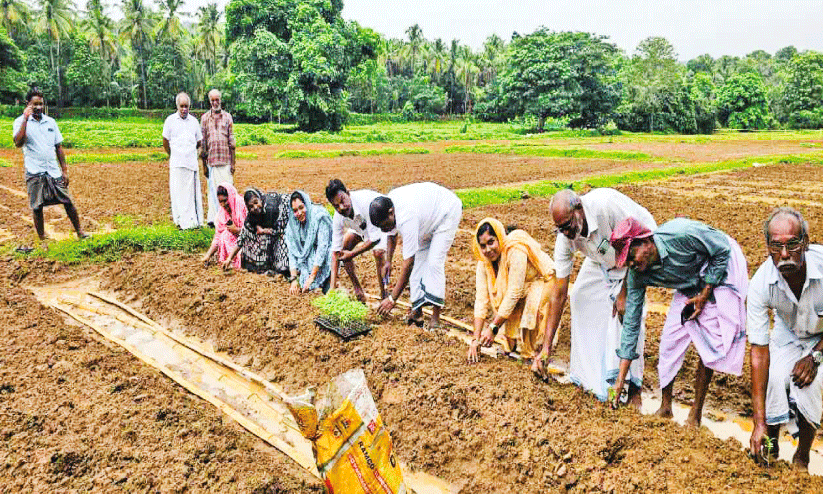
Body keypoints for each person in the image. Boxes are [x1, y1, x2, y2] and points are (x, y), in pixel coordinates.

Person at [609, 217, 748, 427]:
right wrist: (620, 381)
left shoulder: (682, 234)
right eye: (626, 262)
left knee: (708, 342)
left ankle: (695, 415)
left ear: (646, 242)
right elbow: (631, 323)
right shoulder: (637, 274)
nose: (630, 265)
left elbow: (721, 249)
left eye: (630, 257)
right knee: (669, 342)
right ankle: (665, 408)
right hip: (688, 281)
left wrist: (705, 294)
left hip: (720, 266)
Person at [532, 188, 657, 407]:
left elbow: (641, 240)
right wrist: (546, 348)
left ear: (579, 208)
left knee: (627, 314)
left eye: (568, 225)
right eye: (560, 229)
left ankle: (633, 389)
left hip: (639, 252)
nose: (566, 233)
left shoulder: (606, 207)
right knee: (580, 297)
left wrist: (623, 293)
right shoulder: (565, 236)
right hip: (603, 258)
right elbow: (559, 293)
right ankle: (588, 379)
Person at [748, 207, 823, 471]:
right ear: (767, 247)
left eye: (792, 245)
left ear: (806, 242)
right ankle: (770, 444)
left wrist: (815, 356)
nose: (783, 254)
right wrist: (758, 423)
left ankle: (802, 456)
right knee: (773, 377)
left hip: (821, 335)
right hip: (789, 331)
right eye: (776, 246)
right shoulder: (760, 283)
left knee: (810, 383)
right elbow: (759, 352)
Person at [370, 182, 462, 329]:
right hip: (427, 218)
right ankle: (417, 312)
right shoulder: (389, 206)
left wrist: (392, 299)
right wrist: (388, 261)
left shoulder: (406, 218)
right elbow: (391, 234)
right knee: (418, 263)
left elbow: (408, 263)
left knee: (434, 262)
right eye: (381, 228)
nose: (385, 229)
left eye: (385, 225)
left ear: (391, 212)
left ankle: (435, 318)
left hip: (446, 213)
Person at [468, 218, 555, 363]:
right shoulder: (484, 263)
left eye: (491, 242)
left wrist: (493, 328)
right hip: (522, 289)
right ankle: (515, 341)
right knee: (510, 343)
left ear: (499, 238)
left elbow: (514, 291)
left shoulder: (515, 250)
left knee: (532, 313)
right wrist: (475, 339)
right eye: (483, 246)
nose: (488, 250)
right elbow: (481, 299)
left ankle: (537, 350)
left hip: (542, 281)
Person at [12, 87, 87, 248]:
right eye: (35, 104)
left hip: (53, 170)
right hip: (35, 172)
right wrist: (25, 119)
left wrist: (64, 171)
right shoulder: (19, 122)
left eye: (41, 104)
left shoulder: (50, 122)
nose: (39, 107)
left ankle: (80, 232)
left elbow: (58, 147)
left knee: (68, 201)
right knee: (37, 207)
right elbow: (18, 142)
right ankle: (42, 239)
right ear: (28, 104)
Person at [325, 179, 390, 302]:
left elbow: (375, 239)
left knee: (378, 253)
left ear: (348, 193)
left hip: (382, 224)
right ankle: (357, 289)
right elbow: (335, 252)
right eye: (336, 206)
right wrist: (332, 288)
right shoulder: (338, 217)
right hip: (362, 229)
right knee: (344, 247)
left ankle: (384, 296)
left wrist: (352, 254)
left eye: (342, 201)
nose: (341, 207)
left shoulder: (366, 203)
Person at [223, 188, 290, 275]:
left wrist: (266, 231)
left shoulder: (272, 207)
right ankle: (266, 266)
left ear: (260, 199)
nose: (255, 207)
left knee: (279, 242)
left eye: (256, 202)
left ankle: (285, 267)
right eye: (251, 206)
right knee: (255, 236)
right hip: (273, 234)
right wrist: (229, 259)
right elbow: (241, 239)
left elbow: (281, 230)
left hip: (285, 229)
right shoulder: (251, 217)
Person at [162, 92, 203, 230]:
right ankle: (180, 221)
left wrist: (194, 155)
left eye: (186, 106)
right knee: (178, 194)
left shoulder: (194, 122)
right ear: (177, 106)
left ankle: (192, 222)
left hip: (191, 164)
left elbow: (199, 142)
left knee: (191, 195)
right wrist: (173, 155)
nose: (184, 109)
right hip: (177, 164)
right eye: (182, 106)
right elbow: (165, 141)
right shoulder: (170, 121)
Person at [200, 89, 236, 227]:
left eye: (217, 100)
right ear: (210, 101)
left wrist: (233, 163)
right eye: (212, 100)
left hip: (225, 161)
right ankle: (214, 220)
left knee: (228, 191)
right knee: (213, 192)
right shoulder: (204, 118)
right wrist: (204, 166)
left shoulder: (228, 117)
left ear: (220, 100)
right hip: (212, 163)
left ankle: (229, 218)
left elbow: (232, 142)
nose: (215, 102)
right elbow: (203, 144)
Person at [286, 190, 333, 295]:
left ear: (307, 204)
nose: (299, 213)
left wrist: (312, 277)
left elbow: (322, 247)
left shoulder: (319, 216)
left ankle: (329, 280)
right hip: (309, 258)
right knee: (305, 285)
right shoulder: (293, 224)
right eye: (295, 210)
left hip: (325, 256)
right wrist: (293, 280)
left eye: (301, 207)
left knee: (326, 288)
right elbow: (292, 251)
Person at [202, 183, 246, 269]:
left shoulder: (241, 205)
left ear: (230, 197)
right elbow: (218, 236)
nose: (223, 204)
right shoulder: (222, 212)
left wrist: (237, 230)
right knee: (225, 235)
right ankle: (229, 260)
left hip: (249, 241)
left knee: (227, 235)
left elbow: (252, 231)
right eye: (220, 202)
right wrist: (208, 256)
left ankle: (237, 261)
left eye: (225, 201)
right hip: (237, 243)